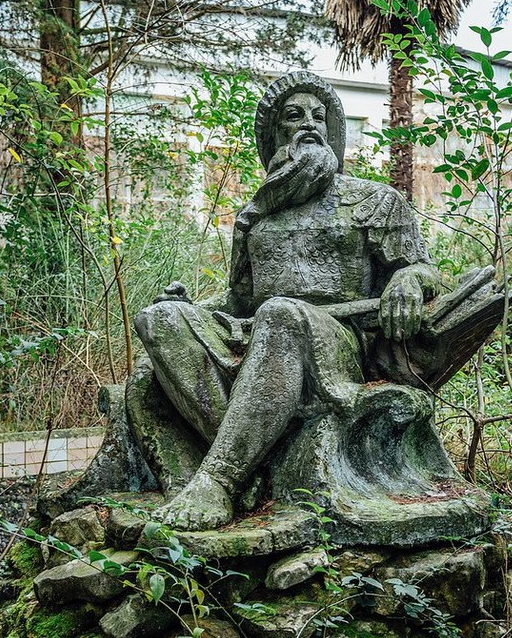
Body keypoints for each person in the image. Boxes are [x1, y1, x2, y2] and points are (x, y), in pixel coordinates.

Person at [134, 71, 444, 530]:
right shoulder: (257, 214)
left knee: (281, 313)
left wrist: (409, 281)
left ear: (334, 133)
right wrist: (192, 308)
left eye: (319, 117)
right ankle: (253, 465)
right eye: (293, 116)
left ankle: (220, 479)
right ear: (274, 135)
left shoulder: (375, 199)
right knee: (159, 317)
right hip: (261, 333)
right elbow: (239, 300)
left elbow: (424, 267)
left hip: (337, 342)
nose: (309, 125)